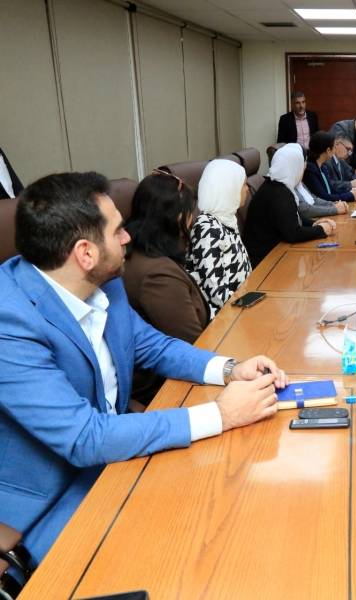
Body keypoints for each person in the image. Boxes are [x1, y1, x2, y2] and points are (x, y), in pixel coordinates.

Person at [0, 171, 287, 565]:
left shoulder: (103, 281)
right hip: (49, 505)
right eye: (118, 231)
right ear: (85, 253)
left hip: (115, 456)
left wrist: (230, 369)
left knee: (233, 513)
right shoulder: (10, 322)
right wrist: (221, 415)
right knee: (186, 553)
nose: (128, 238)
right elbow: (85, 437)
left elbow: (152, 346)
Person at [122, 170, 210, 402]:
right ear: (178, 217)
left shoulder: (139, 253)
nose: (193, 219)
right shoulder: (157, 275)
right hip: (167, 389)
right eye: (191, 212)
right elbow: (193, 344)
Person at [243, 144, 336, 267]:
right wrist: (321, 230)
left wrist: (313, 223)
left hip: (276, 251)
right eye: (302, 168)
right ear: (294, 168)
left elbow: (291, 218)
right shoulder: (279, 194)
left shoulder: (275, 185)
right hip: (265, 261)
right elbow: (293, 233)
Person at [186, 159, 252, 317]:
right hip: (228, 317)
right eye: (243, 184)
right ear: (228, 189)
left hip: (243, 301)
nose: (247, 189)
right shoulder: (207, 230)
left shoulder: (226, 219)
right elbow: (217, 294)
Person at [304, 131, 356, 203]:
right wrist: (350, 195)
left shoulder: (323, 167)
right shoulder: (310, 169)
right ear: (328, 150)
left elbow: (331, 190)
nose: (335, 150)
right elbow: (324, 197)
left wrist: (351, 192)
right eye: (334, 147)